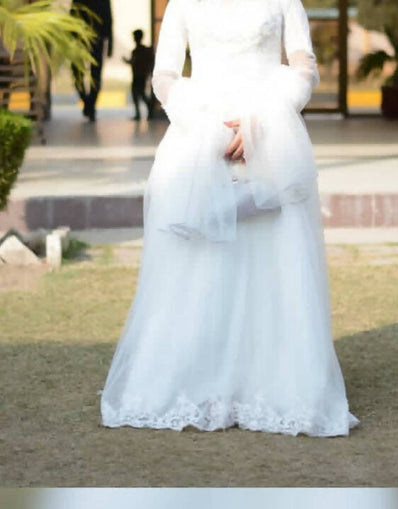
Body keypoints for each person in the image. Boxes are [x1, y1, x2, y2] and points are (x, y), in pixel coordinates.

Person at [100, 0, 360, 437]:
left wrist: (262, 123)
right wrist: (206, 126)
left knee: (271, 259)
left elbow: (304, 66)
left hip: (272, 139)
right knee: (201, 264)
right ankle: (199, 380)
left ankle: (271, 382)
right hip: (199, 137)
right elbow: (164, 75)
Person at [70, 0, 113, 122]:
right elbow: (72, 17)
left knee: (94, 75)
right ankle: (88, 103)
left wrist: (110, 44)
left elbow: (108, 20)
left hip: (95, 39)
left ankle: (90, 104)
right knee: (80, 73)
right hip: (82, 39)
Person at [123, 29, 155, 121]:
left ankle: (142, 112)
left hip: (138, 75)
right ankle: (144, 111)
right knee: (139, 94)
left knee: (138, 94)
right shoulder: (142, 50)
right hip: (141, 75)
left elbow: (134, 62)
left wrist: (126, 61)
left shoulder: (137, 51)